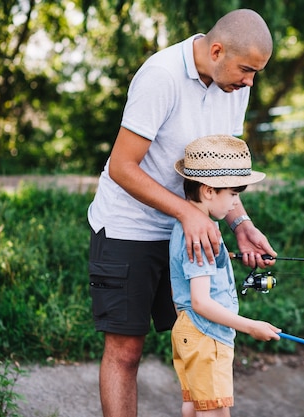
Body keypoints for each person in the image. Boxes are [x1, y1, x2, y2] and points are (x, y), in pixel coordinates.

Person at [86, 9, 277, 417]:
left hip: (184, 231)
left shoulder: (234, 86)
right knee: (126, 351)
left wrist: (240, 223)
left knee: (198, 339)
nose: (249, 82)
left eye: (255, 73)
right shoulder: (161, 76)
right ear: (217, 50)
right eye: (246, 70)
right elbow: (122, 167)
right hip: (129, 228)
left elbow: (220, 172)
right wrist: (188, 214)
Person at [170, 134, 281, 417]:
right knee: (216, 412)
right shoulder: (202, 235)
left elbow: (187, 282)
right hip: (207, 335)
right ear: (208, 191)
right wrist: (250, 326)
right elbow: (201, 302)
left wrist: (226, 258)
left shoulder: (184, 228)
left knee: (194, 406)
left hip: (188, 332)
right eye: (233, 194)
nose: (235, 204)